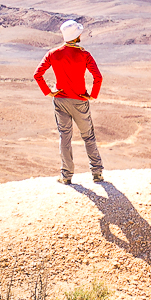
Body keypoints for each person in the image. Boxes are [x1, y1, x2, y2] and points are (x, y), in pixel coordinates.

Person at [34, 19, 103, 184]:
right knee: (88, 137)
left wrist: (49, 92)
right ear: (77, 36)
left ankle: (66, 176)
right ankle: (97, 174)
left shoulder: (53, 53)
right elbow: (98, 77)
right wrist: (93, 95)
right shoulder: (84, 54)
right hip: (79, 101)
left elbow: (38, 74)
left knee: (65, 137)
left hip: (60, 101)